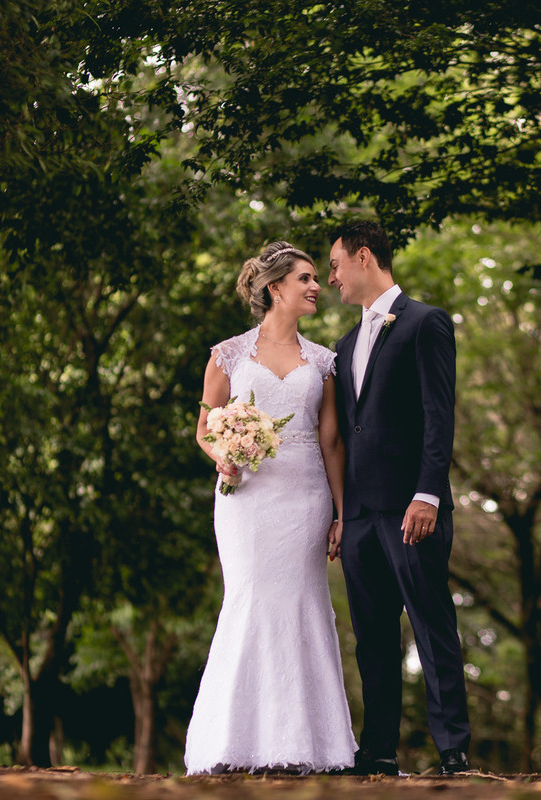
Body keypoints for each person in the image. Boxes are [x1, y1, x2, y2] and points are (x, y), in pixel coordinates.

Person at [183, 241, 357, 775]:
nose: (317, 286)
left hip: (306, 496)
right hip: (248, 499)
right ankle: (232, 743)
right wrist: (223, 457)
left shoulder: (323, 362)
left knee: (302, 602)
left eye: (317, 277)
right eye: (305, 278)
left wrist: (341, 513)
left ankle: (308, 745)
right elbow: (204, 427)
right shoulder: (228, 354)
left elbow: (331, 441)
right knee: (250, 597)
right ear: (275, 288)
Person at [327, 220, 472, 776]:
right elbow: (348, 433)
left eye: (335, 265)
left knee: (432, 625)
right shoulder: (344, 345)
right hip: (360, 515)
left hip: (412, 507)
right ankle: (379, 750)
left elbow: (439, 414)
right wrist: (342, 514)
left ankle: (453, 750)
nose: (332, 278)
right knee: (372, 637)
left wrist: (427, 494)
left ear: (363, 257)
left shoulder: (425, 322)